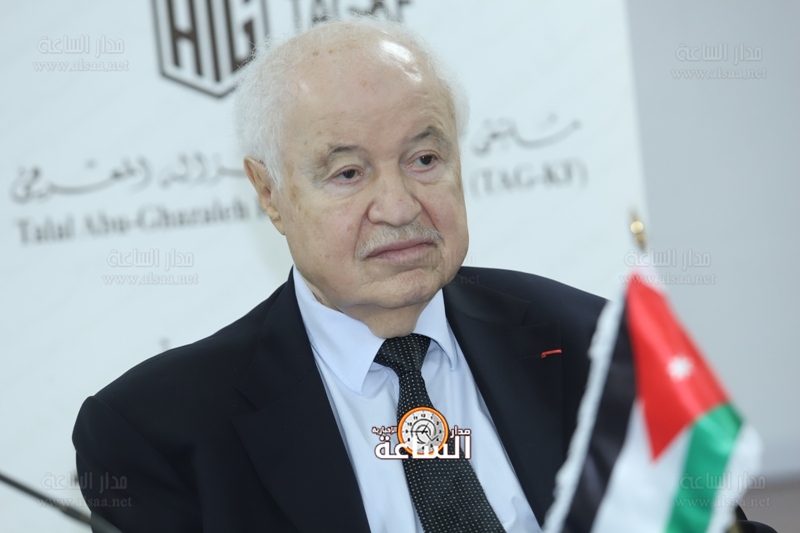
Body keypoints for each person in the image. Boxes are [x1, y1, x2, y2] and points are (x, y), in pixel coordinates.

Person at [72, 18, 770, 533]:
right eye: (348, 172)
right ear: (270, 193)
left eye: (424, 159)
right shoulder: (157, 431)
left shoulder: (595, 345)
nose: (400, 206)